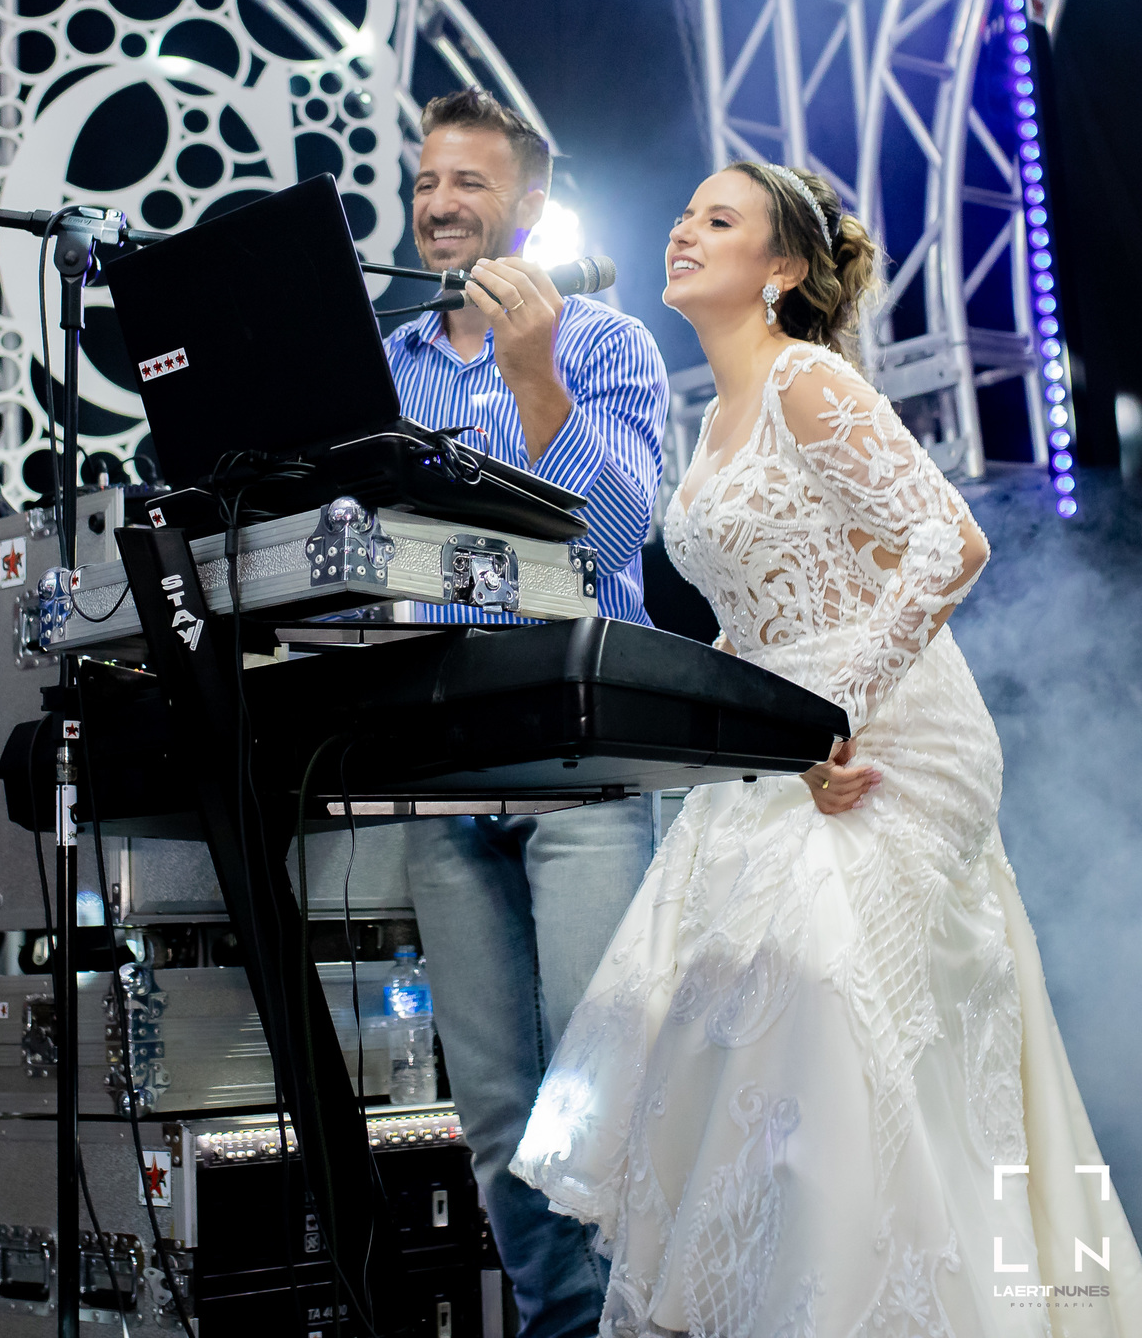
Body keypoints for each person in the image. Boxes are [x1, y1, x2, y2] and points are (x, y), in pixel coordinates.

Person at [511, 160, 1142, 1337]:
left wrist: (832, 714)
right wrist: (738, 721)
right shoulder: (710, 421)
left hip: (889, 738)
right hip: (781, 746)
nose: (684, 231)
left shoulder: (807, 379)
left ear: (784, 269)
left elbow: (948, 544)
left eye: (719, 220)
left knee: (814, 992)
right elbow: (747, 617)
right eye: (684, 214)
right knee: (699, 1011)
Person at [383, 88, 669, 1338]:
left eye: (470, 183)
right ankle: (564, 1328)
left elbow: (622, 532)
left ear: (532, 207)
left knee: (603, 1097)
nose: (441, 205)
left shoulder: (607, 343)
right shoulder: (383, 367)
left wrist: (532, 377)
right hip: (436, 759)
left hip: (578, 755)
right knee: (498, 1114)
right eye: (426, 182)